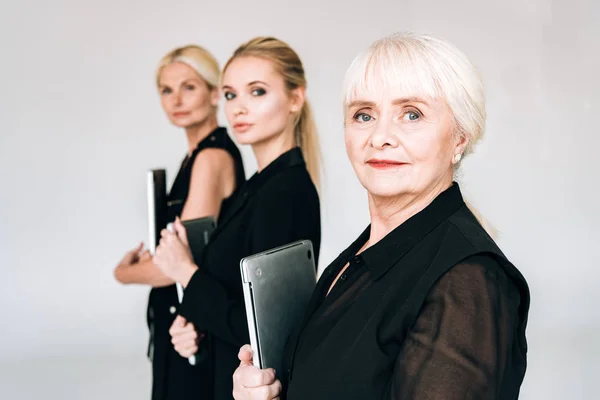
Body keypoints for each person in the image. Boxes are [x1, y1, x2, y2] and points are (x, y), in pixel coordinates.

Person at [231, 32, 531, 400]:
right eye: (364, 115)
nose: (380, 136)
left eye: (412, 114)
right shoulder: (361, 255)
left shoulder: (467, 282)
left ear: (460, 138)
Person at [152, 37, 322, 400]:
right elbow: (232, 300)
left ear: (295, 99)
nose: (239, 108)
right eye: (230, 95)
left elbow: (267, 334)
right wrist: (194, 323)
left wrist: (184, 272)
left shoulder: (286, 193)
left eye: (257, 92)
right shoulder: (257, 187)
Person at [113, 44, 245, 400]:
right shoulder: (195, 156)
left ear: (215, 92)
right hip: (185, 320)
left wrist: (123, 273)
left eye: (189, 86)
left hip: (192, 326)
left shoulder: (211, 157)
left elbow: (174, 265)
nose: (177, 99)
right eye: (166, 90)